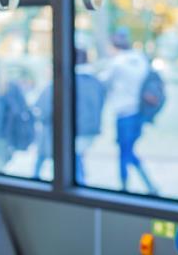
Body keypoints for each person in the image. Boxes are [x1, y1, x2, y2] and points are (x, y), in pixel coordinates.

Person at [34, 48, 106, 183]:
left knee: (70, 165)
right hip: (89, 131)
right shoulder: (96, 82)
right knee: (76, 162)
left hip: (69, 132)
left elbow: (43, 109)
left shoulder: (63, 81)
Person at [101, 27, 157, 194]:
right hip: (139, 113)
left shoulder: (117, 63)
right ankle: (149, 185)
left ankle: (125, 187)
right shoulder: (140, 59)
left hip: (124, 114)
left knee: (124, 152)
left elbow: (103, 82)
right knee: (128, 150)